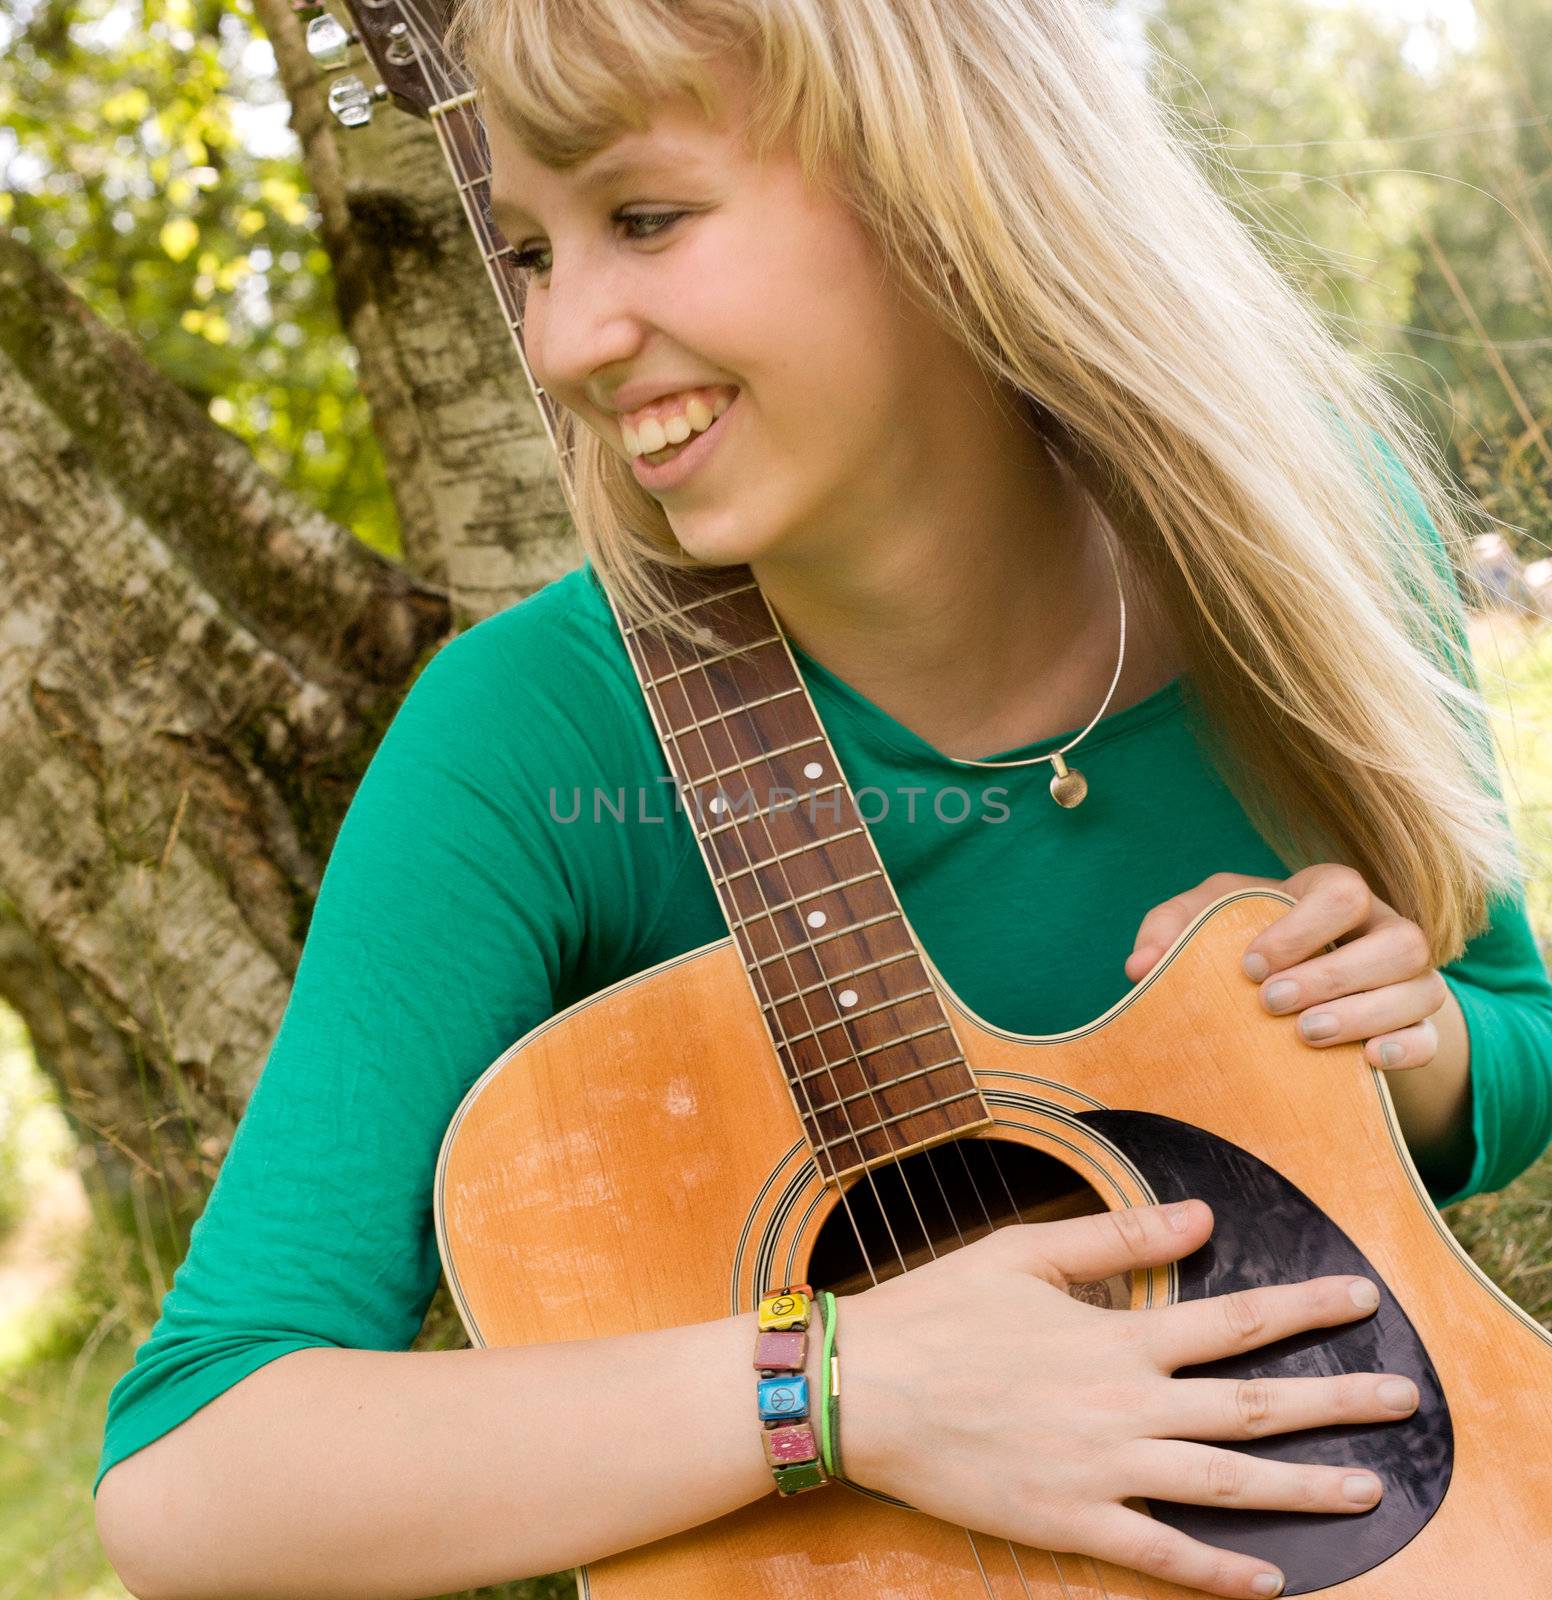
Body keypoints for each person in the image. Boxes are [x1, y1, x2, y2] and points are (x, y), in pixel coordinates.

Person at [93, 2, 1552, 1598]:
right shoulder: (531, 737)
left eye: (644, 217)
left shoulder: (1309, 523)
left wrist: (1396, 1051)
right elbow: (192, 1477)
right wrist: (832, 1391)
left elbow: (1506, 1028)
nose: (568, 339)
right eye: (531, 255)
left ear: (934, 172)